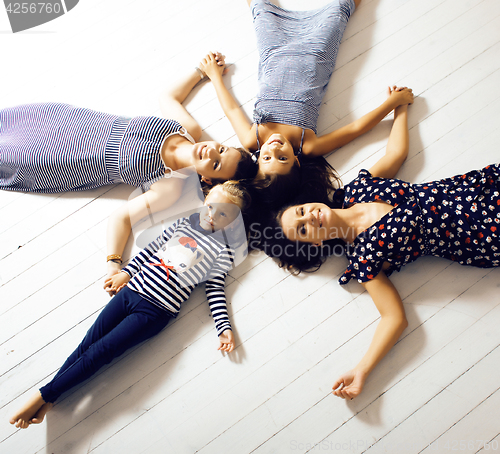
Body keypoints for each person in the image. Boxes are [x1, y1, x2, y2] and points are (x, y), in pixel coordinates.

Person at [263, 93, 500, 400]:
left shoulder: (356, 190)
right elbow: (394, 318)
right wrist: (362, 370)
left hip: (477, 189)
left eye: (301, 212)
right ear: (316, 242)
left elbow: (397, 153)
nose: (309, 216)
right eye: (303, 228)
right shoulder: (364, 258)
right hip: (481, 234)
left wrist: (399, 108)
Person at [0, 52, 257, 291]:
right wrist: (201, 71)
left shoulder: (170, 186)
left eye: (215, 164)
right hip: (79, 123)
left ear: (208, 178)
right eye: (221, 149)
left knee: (8, 154)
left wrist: (114, 262)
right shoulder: (188, 129)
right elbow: (167, 98)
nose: (211, 152)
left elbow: (121, 218)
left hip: (70, 159)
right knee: (14, 121)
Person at [9, 181, 250, 429]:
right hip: (131, 291)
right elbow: (152, 250)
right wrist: (126, 272)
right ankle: (51, 398)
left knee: (101, 353)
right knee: (88, 343)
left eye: (223, 213)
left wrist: (224, 327)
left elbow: (215, 290)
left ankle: (40, 396)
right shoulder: (185, 224)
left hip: (155, 311)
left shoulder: (222, 251)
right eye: (211, 206)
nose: (212, 215)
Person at [199, 0, 413, 194]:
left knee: (260, 9)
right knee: (340, 10)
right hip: (314, 53)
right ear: (296, 162)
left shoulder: (253, 138)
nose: (274, 148)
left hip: (275, 51)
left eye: (266, 157)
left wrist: (215, 76)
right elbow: (355, 129)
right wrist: (391, 104)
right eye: (282, 158)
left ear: (258, 159)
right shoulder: (307, 145)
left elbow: (232, 110)